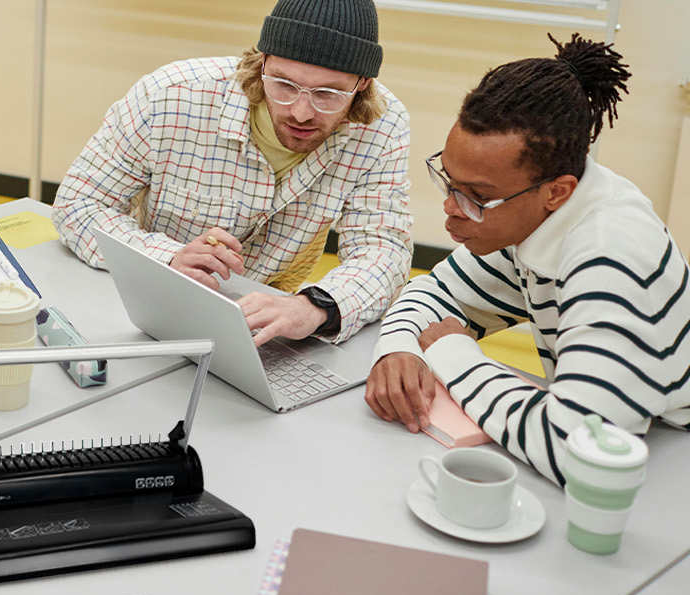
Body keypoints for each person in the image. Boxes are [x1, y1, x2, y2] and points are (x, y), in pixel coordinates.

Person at [365, 35, 690, 486]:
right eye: (449, 182)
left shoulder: (610, 257)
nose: (452, 208)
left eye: (478, 196)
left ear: (557, 191)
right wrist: (398, 349)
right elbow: (434, 292)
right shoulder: (535, 216)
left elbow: (578, 453)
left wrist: (453, 355)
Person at [52, 0, 413, 346]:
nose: (302, 112)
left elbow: (384, 250)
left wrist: (315, 306)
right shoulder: (169, 97)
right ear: (261, 62)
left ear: (363, 84)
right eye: (284, 84)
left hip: (268, 330)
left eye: (328, 94)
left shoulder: (384, 128)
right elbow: (78, 204)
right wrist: (165, 257)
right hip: (148, 309)